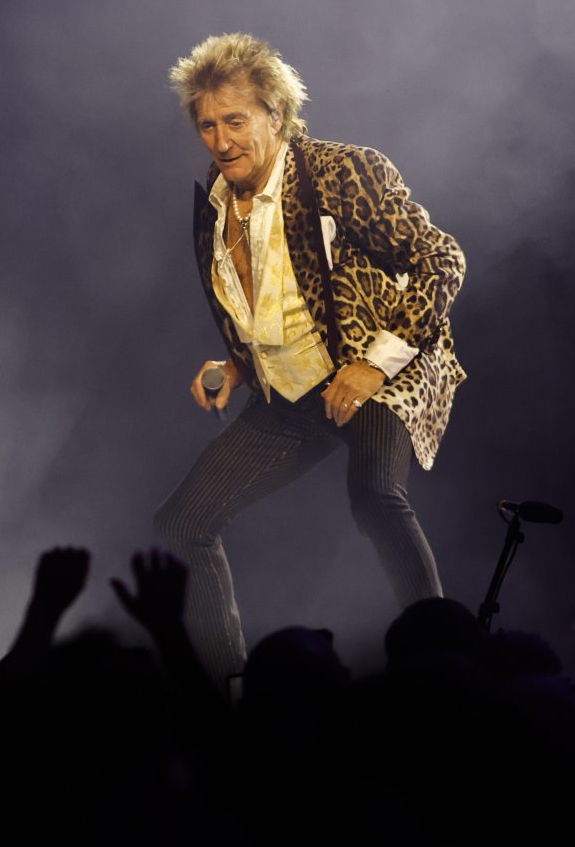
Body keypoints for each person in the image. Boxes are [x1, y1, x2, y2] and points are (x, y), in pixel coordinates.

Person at [155, 33, 466, 682]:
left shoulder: (339, 171)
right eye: (207, 125)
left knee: (375, 496)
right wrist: (236, 365)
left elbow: (442, 260)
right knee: (182, 523)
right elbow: (273, 300)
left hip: (372, 371)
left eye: (234, 121)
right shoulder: (216, 198)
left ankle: (446, 670)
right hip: (289, 394)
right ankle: (232, 692)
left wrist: (374, 365)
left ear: (275, 114)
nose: (220, 140)